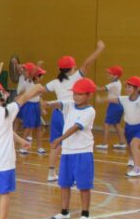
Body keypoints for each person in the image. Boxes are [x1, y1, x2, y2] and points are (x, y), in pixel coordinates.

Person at [0, 80, 43, 219]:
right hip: (3, 159)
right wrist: (39, 88)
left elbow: (6, 129)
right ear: (0, 94)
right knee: (4, 192)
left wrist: (21, 141)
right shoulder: (6, 111)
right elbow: (24, 97)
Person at [44, 41, 105, 182]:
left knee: (55, 144)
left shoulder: (55, 82)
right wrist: (99, 49)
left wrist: (42, 104)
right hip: (71, 113)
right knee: (72, 144)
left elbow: (41, 89)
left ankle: (51, 173)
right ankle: (75, 175)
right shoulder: (77, 76)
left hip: (57, 113)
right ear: (72, 67)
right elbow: (87, 63)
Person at [48, 77, 98, 219]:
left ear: (89, 95)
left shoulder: (90, 111)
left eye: (80, 94)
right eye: (74, 93)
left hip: (82, 152)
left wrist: (59, 139)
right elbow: (59, 104)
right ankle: (64, 212)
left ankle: (85, 214)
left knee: (84, 185)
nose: (76, 96)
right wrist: (48, 103)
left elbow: (75, 127)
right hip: (67, 152)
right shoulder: (70, 105)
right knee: (64, 183)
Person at [97, 65, 127, 150]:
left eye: (110, 74)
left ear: (116, 76)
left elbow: (100, 89)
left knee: (106, 124)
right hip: (116, 105)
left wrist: (89, 84)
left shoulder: (113, 84)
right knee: (116, 124)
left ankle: (104, 143)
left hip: (115, 106)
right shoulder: (117, 83)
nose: (108, 75)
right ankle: (122, 142)